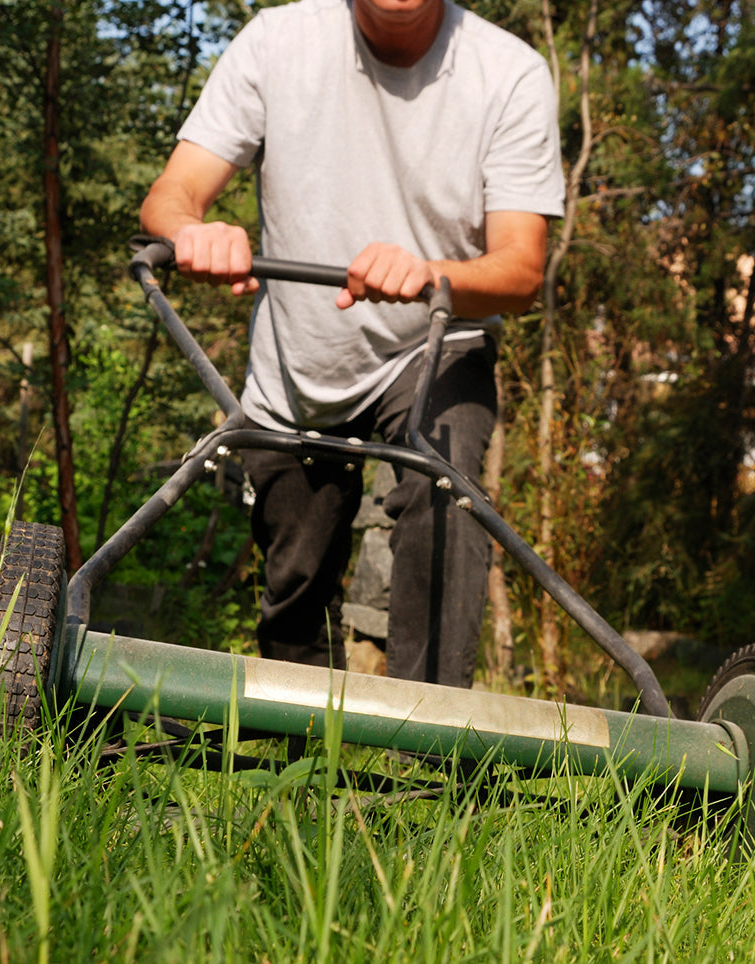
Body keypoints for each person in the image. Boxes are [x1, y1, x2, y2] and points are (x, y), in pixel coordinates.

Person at [139, 0, 564, 688]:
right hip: (302, 356)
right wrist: (192, 231)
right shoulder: (277, 42)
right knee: (296, 584)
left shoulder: (509, 72)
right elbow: (173, 192)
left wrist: (430, 274)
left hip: (435, 339)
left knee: (447, 490)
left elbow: (520, 270)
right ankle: (302, 743)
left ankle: (431, 734)